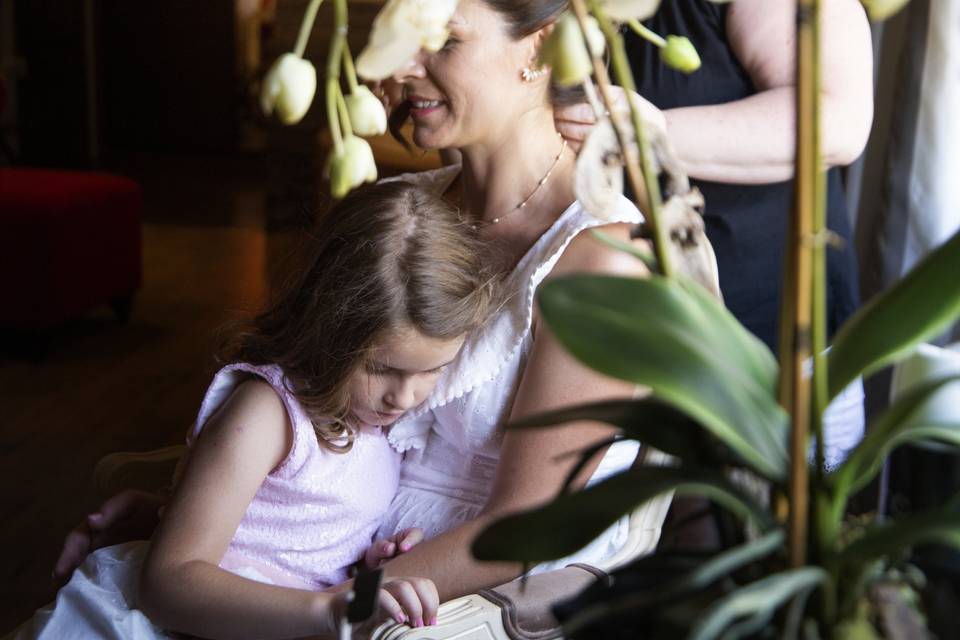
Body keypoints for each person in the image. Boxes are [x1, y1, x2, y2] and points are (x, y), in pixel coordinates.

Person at [52, 0, 683, 617]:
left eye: (444, 40)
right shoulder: (400, 211)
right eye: (403, 37)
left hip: (453, 597)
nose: (403, 68)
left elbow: (521, 531)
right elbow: (306, 402)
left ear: (540, 44)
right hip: (319, 556)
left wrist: (331, 601)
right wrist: (201, 522)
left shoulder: (599, 263)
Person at [12, 180, 498, 639]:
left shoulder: (378, 423)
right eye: (382, 368)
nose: (405, 397)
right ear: (329, 327)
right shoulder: (269, 414)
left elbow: (301, 532)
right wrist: (328, 607)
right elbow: (168, 584)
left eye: (432, 370)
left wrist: (368, 564)